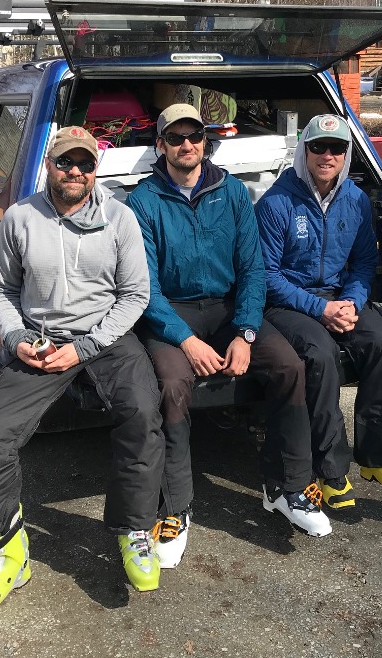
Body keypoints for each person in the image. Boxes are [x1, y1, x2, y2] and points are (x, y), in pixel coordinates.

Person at [0, 126, 165, 624]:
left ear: (97, 170)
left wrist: (86, 347)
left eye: (85, 164)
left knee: (141, 412)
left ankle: (133, 528)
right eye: (65, 163)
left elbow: (134, 296)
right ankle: (7, 554)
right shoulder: (20, 217)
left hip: (104, 337)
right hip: (40, 341)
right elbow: (3, 290)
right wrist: (16, 339)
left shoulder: (120, 218)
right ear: (49, 165)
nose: (75, 172)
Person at [128, 103, 331, 570]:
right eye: (175, 138)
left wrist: (244, 332)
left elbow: (252, 269)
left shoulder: (233, 192)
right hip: (171, 314)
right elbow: (145, 287)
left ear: (205, 142)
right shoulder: (144, 200)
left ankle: (287, 487)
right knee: (172, 385)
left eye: (194, 136)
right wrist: (185, 339)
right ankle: (176, 507)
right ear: (160, 145)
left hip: (226, 308)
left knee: (288, 367)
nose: (186, 145)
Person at [255, 114, 382, 511]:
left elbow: (365, 261)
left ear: (347, 155)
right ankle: (330, 469)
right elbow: (266, 274)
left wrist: (350, 302)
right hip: (290, 301)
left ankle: (377, 458)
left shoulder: (355, 198)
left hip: (340, 297)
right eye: (319, 147)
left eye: (337, 148)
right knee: (322, 357)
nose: (328, 155)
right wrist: (320, 307)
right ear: (305, 150)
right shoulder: (278, 201)